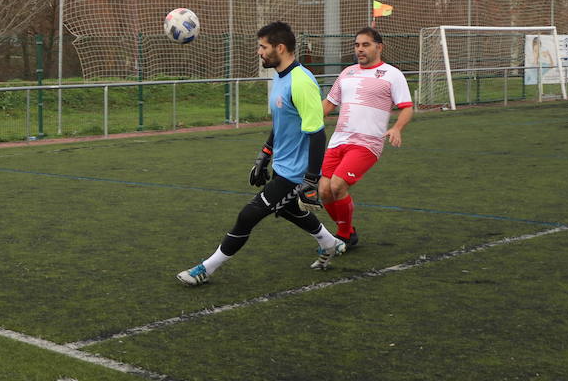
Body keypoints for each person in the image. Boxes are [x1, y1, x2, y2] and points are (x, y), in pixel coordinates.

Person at [176, 21, 346, 285]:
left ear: (280, 48)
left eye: (263, 47)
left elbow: (316, 133)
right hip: (283, 165)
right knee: (289, 210)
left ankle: (206, 269)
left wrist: (311, 180)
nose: (259, 52)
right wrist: (265, 154)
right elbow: (283, 122)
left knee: (249, 215)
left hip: (296, 173)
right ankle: (329, 242)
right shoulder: (280, 77)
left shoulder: (301, 82)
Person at [318, 26, 413, 250]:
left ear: (379, 47)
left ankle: (342, 237)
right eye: (357, 45)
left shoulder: (392, 74)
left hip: (367, 144)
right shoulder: (347, 73)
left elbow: (407, 108)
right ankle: (348, 231)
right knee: (324, 190)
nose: (360, 49)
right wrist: (304, 120)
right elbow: (329, 104)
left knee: (338, 185)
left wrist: (397, 128)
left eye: (365, 45)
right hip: (338, 141)